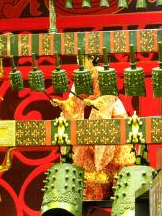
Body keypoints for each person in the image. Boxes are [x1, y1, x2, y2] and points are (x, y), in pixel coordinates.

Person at [51, 55, 136, 200]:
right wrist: (62, 104)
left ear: (91, 58)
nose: (78, 62)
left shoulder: (103, 72)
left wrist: (96, 103)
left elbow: (109, 96)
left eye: (82, 58)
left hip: (112, 114)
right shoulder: (81, 76)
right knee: (87, 153)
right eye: (77, 59)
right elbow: (74, 102)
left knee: (116, 158)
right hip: (94, 119)